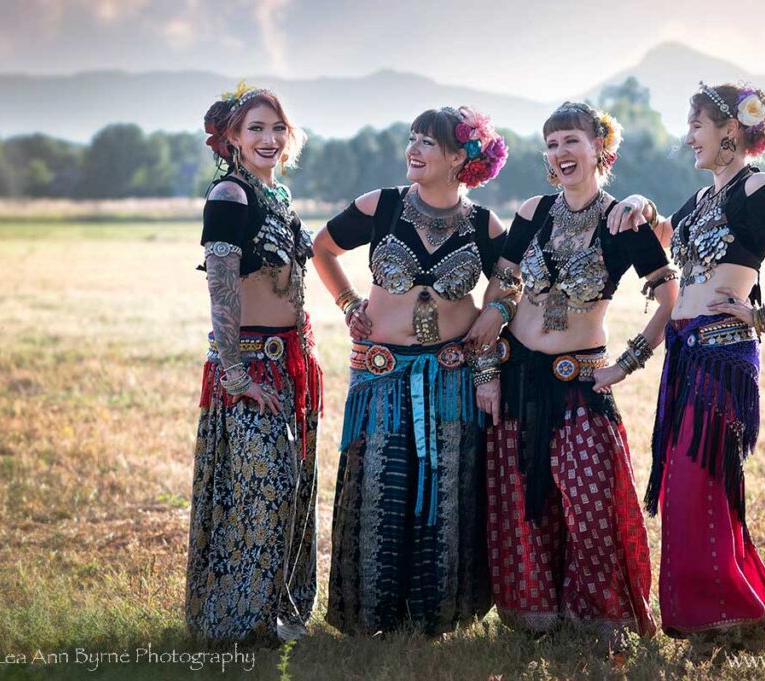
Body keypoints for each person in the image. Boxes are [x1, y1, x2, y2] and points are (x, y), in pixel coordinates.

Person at [612, 82, 765, 640]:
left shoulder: (759, 186)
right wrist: (639, 204)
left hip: (721, 352)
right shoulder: (702, 198)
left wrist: (764, 314)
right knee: (692, 485)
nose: (688, 137)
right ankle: (744, 606)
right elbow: (662, 240)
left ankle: (729, 612)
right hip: (683, 353)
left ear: (730, 130)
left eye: (696, 126)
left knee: (698, 480)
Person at [312, 106, 510, 635]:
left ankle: (433, 616)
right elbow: (322, 249)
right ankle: (372, 615)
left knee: (445, 490)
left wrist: (496, 310)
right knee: (380, 481)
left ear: (458, 158)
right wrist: (349, 302)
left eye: (428, 142)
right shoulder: (382, 205)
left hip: (450, 373)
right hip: (381, 372)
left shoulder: (484, 223)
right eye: (413, 138)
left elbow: (508, 280)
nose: (414, 149)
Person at [485, 102, 677, 640]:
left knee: (589, 501)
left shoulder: (625, 220)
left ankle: (596, 616)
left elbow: (669, 297)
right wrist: (485, 368)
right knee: (524, 502)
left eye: (571, 140)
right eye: (551, 144)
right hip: (518, 372)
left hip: (581, 381)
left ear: (599, 148)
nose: (560, 153)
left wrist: (627, 363)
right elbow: (501, 288)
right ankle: (535, 614)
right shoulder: (532, 212)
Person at [185, 82, 320, 644]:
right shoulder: (230, 196)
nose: (268, 138)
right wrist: (236, 373)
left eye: (277, 128)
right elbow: (221, 287)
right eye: (255, 129)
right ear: (233, 138)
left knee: (290, 488)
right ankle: (236, 619)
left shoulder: (278, 197)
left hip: (288, 364)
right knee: (257, 488)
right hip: (249, 364)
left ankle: (276, 614)